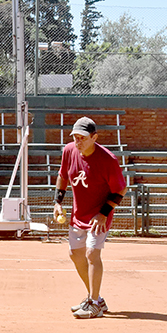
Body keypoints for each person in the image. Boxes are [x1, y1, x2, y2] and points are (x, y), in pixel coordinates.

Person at [53, 116, 127, 319]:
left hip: (99, 215)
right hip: (79, 214)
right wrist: (58, 202)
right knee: (75, 255)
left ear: (95, 137)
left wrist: (104, 213)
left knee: (92, 254)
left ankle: (94, 304)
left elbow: (121, 189)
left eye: (82, 138)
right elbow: (63, 176)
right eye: (75, 137)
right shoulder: (69, 151)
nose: (78, 142)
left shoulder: (108, 160)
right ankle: (96, 299)